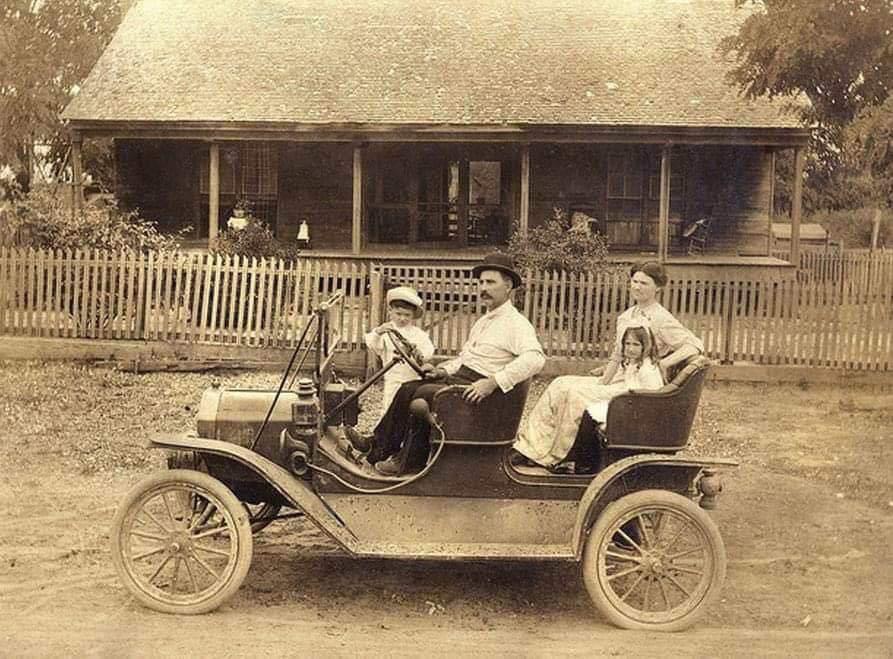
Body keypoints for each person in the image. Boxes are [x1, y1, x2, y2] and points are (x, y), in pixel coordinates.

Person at [358, 253, 546, 476]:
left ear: (508, 286)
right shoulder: (485, 320)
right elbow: (465, 359)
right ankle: (376, 446)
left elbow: (536, 358)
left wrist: (493, 382)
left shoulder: (515, 324)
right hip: (464, 379)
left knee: (424, 393)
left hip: (479, 394)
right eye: (481, 282)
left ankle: (409, 462)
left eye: (490, 282)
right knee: (408, 387)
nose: (483, 288)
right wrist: (441, 370)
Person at [513, 260, 703, 469]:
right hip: (618, 378)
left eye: (644, 283)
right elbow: (617, 355)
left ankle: (557, 455)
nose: (637, 287)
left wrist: (664, 363)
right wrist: (603, 380)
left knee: (575, 395)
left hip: (636, 385)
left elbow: (694, 346)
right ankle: (530, 447)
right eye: (635, 281)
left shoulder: (661, 319)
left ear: (657, 287)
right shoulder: (626, 316)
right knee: (560, 383)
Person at [364, 286, 435, 423]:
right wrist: (379, 332)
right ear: (390, 312)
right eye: (398, 314)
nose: (402, 318)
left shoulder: (418, 334)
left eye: (407, 315)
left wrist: (419, 353)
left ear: (413, 315)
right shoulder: (387, 331)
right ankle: (382, 439)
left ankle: (405, 440)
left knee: (409, 410)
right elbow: (372, 343)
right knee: (389, 408)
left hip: (413, 379)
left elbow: (428, 352)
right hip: (393, 378)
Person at [584, 324, 664, 427]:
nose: (630, 349)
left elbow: (653, 400)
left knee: (590, 414)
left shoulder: (647, 369)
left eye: (636, 344)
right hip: (629, 405)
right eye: (628, 343)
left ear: (646, 346)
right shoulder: (633, 363)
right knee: (589, 411)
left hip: (641, 413)